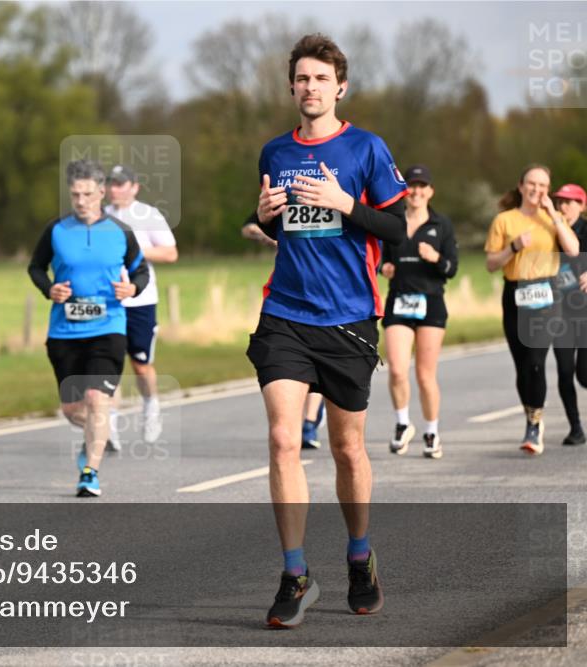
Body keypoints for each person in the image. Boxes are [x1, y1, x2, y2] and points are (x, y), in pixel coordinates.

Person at [243, 34, 408, 628]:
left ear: (340, 86)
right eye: (301, 79)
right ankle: (295, 573)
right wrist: (264, 220)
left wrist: (344, 202)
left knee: (346, 448)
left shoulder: (366, 148)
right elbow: (283, 226)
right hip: (286, 315)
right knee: (285, 440)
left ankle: (360, 557)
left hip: (348, 319)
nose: (310, 88)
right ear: (291, 87)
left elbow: (396, 232)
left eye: (321, 79)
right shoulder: (274, 153)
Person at [28, 159, 148, 497]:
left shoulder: (121, 232)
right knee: (72, 410)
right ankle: (99, 431)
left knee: (96, 398)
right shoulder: (56, 230)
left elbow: (142, 272)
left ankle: (89, 471)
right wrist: (48, 288)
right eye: (75, 194)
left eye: (87, 194)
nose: (80, 200)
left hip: (108, 326)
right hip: (64, 331)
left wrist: (132, 289)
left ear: (100, 192)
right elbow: (35, 268)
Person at [485, 164, 579, 456]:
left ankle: (534, 425)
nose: (537, 189)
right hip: (515, 293)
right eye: (532, 184)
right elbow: (491, 264)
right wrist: (512, 247)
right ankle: (532, 415)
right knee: (523, 365)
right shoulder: (504, 220)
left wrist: (554, 215)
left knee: (537, 359)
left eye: (542, 185)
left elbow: (573, 250)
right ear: (521, 186)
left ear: (547, 190)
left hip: (546, 296)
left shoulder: (555, 218)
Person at [380, 165, 459, 459]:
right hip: (399, 300)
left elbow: (452, 268)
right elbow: (378, 259)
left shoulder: (442, 225)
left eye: (421, 185)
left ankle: (432, 431)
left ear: (430, 191)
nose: (415, 191)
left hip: (431, 303)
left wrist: (435, 256)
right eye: (411, 186)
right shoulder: (394, 223)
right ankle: (403, 424)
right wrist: (383, 268)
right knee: (398, 370)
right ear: (405, 190)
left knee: (426, 375)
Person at [104, 164, 177, 447]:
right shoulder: (101, 217)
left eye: (121, 184)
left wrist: (133, 250)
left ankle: (151, 405)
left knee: (140, 364)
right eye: (111, 184)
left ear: (134, 187)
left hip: (142, 300)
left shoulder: (148, 215)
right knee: (110, 363)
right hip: (109, 300)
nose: (114, 189)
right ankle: (108, 425)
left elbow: (171, 252)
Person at [241, 212, 326, 450]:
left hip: (326, 295)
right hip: (288, 295)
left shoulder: (332, 200)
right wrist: (263, 232)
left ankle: (309, 424)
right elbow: (248, 226)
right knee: (295, 365)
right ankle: (303, 422)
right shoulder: (283, 194)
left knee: (319, 365)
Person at [549, 183, 587, 445]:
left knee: (584, 375)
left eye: (570, 202)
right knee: (564, 371)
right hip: (560, 313)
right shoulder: (550, 231)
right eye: (560, 202)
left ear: (582, 206)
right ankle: (575, 428)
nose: (564, 207)